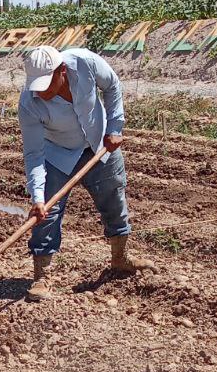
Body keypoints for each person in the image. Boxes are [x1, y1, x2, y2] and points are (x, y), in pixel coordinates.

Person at [18, 45, 149, 301]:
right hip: (57, 154)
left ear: (62, 71)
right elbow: (33, 153)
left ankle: (120, 258)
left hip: (100, 144)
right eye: (37, 86)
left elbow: (112, 86)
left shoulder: (85, 63)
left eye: (47, 84)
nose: (41, 92)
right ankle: (42, 276)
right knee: (47, 214)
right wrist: (38, 198)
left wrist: (115, 127)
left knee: (114, 196)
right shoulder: (29, 103)